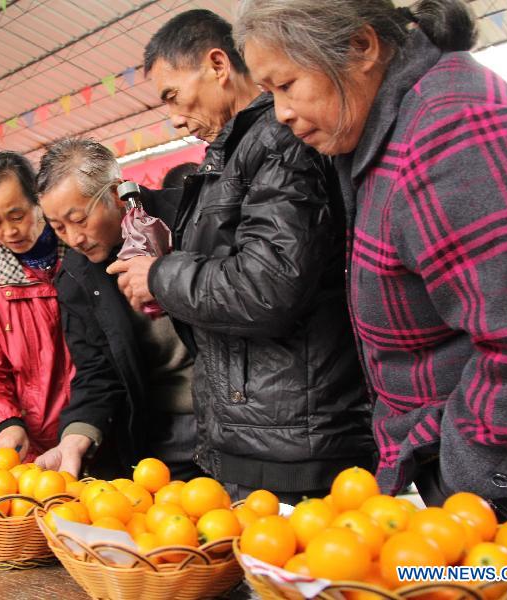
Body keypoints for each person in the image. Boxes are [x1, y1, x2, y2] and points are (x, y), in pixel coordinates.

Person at [235, 0, 507, 527]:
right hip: (472, 473)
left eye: (287, 85)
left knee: (491, 583)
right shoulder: (385, 132)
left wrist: (464, 478)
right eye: (269, 94)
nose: (282, 113)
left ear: (362, 47)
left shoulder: (451, 132)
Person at [108, 10, 374, 503]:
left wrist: (161, 274)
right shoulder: (233, 152)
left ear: (216, 64)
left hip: (294, 440)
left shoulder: (276, 142)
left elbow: (269, 285)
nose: (174, 118)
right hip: (262, 428)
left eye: (173, 95)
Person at [35, 138, 201, 480]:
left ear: (114, 193)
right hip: (161, 438)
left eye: (79, 219)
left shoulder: (188, 216)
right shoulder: (75, 279)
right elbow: (97, 371)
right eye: (58, 227)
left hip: (235, 421)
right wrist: (77, 435)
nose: (74, 238)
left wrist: (163, 278)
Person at [0, 152, 73, 461]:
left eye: (17, 215)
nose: (9, 231)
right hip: (27, 443)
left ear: (38, 199)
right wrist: (4, 422)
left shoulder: (78, 251)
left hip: (97, 425)